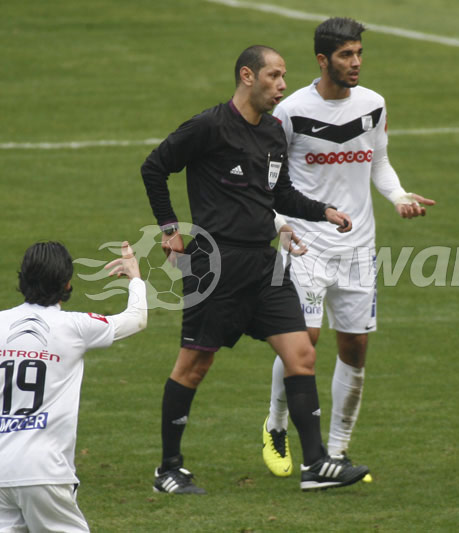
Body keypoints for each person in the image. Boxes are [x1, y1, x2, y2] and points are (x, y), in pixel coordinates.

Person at [141, 44, 369, 494]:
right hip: (215, 265)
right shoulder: (208, 126)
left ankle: (316, 465)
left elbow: (279, 195)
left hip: (266, 263)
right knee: (194, 365)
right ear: (248, 76)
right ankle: (168, 469)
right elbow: (155, 167)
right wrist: (169, 228)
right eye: (275, 77)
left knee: (301, 353)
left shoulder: (271, 134)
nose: (282, 86)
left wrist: (323, 211)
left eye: (285, 77)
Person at [261, 17, 435, 480]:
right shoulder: (291, 111)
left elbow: (379, 162)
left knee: (355, 349)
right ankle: (276, 425)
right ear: (323, 60)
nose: (355, 63)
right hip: (305, 244)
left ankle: (337, 451)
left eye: (358, 53)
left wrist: (398, 197)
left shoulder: (373, 104)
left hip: (358, 248)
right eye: (345, 55)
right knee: (305, 344)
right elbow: (270, 181)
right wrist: (280, 224)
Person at [0, 241, 147, 532]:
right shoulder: (76, 327)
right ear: (67, 283)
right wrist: (136, 279)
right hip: (44, 472)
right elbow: (136, 319)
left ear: (23, 278)